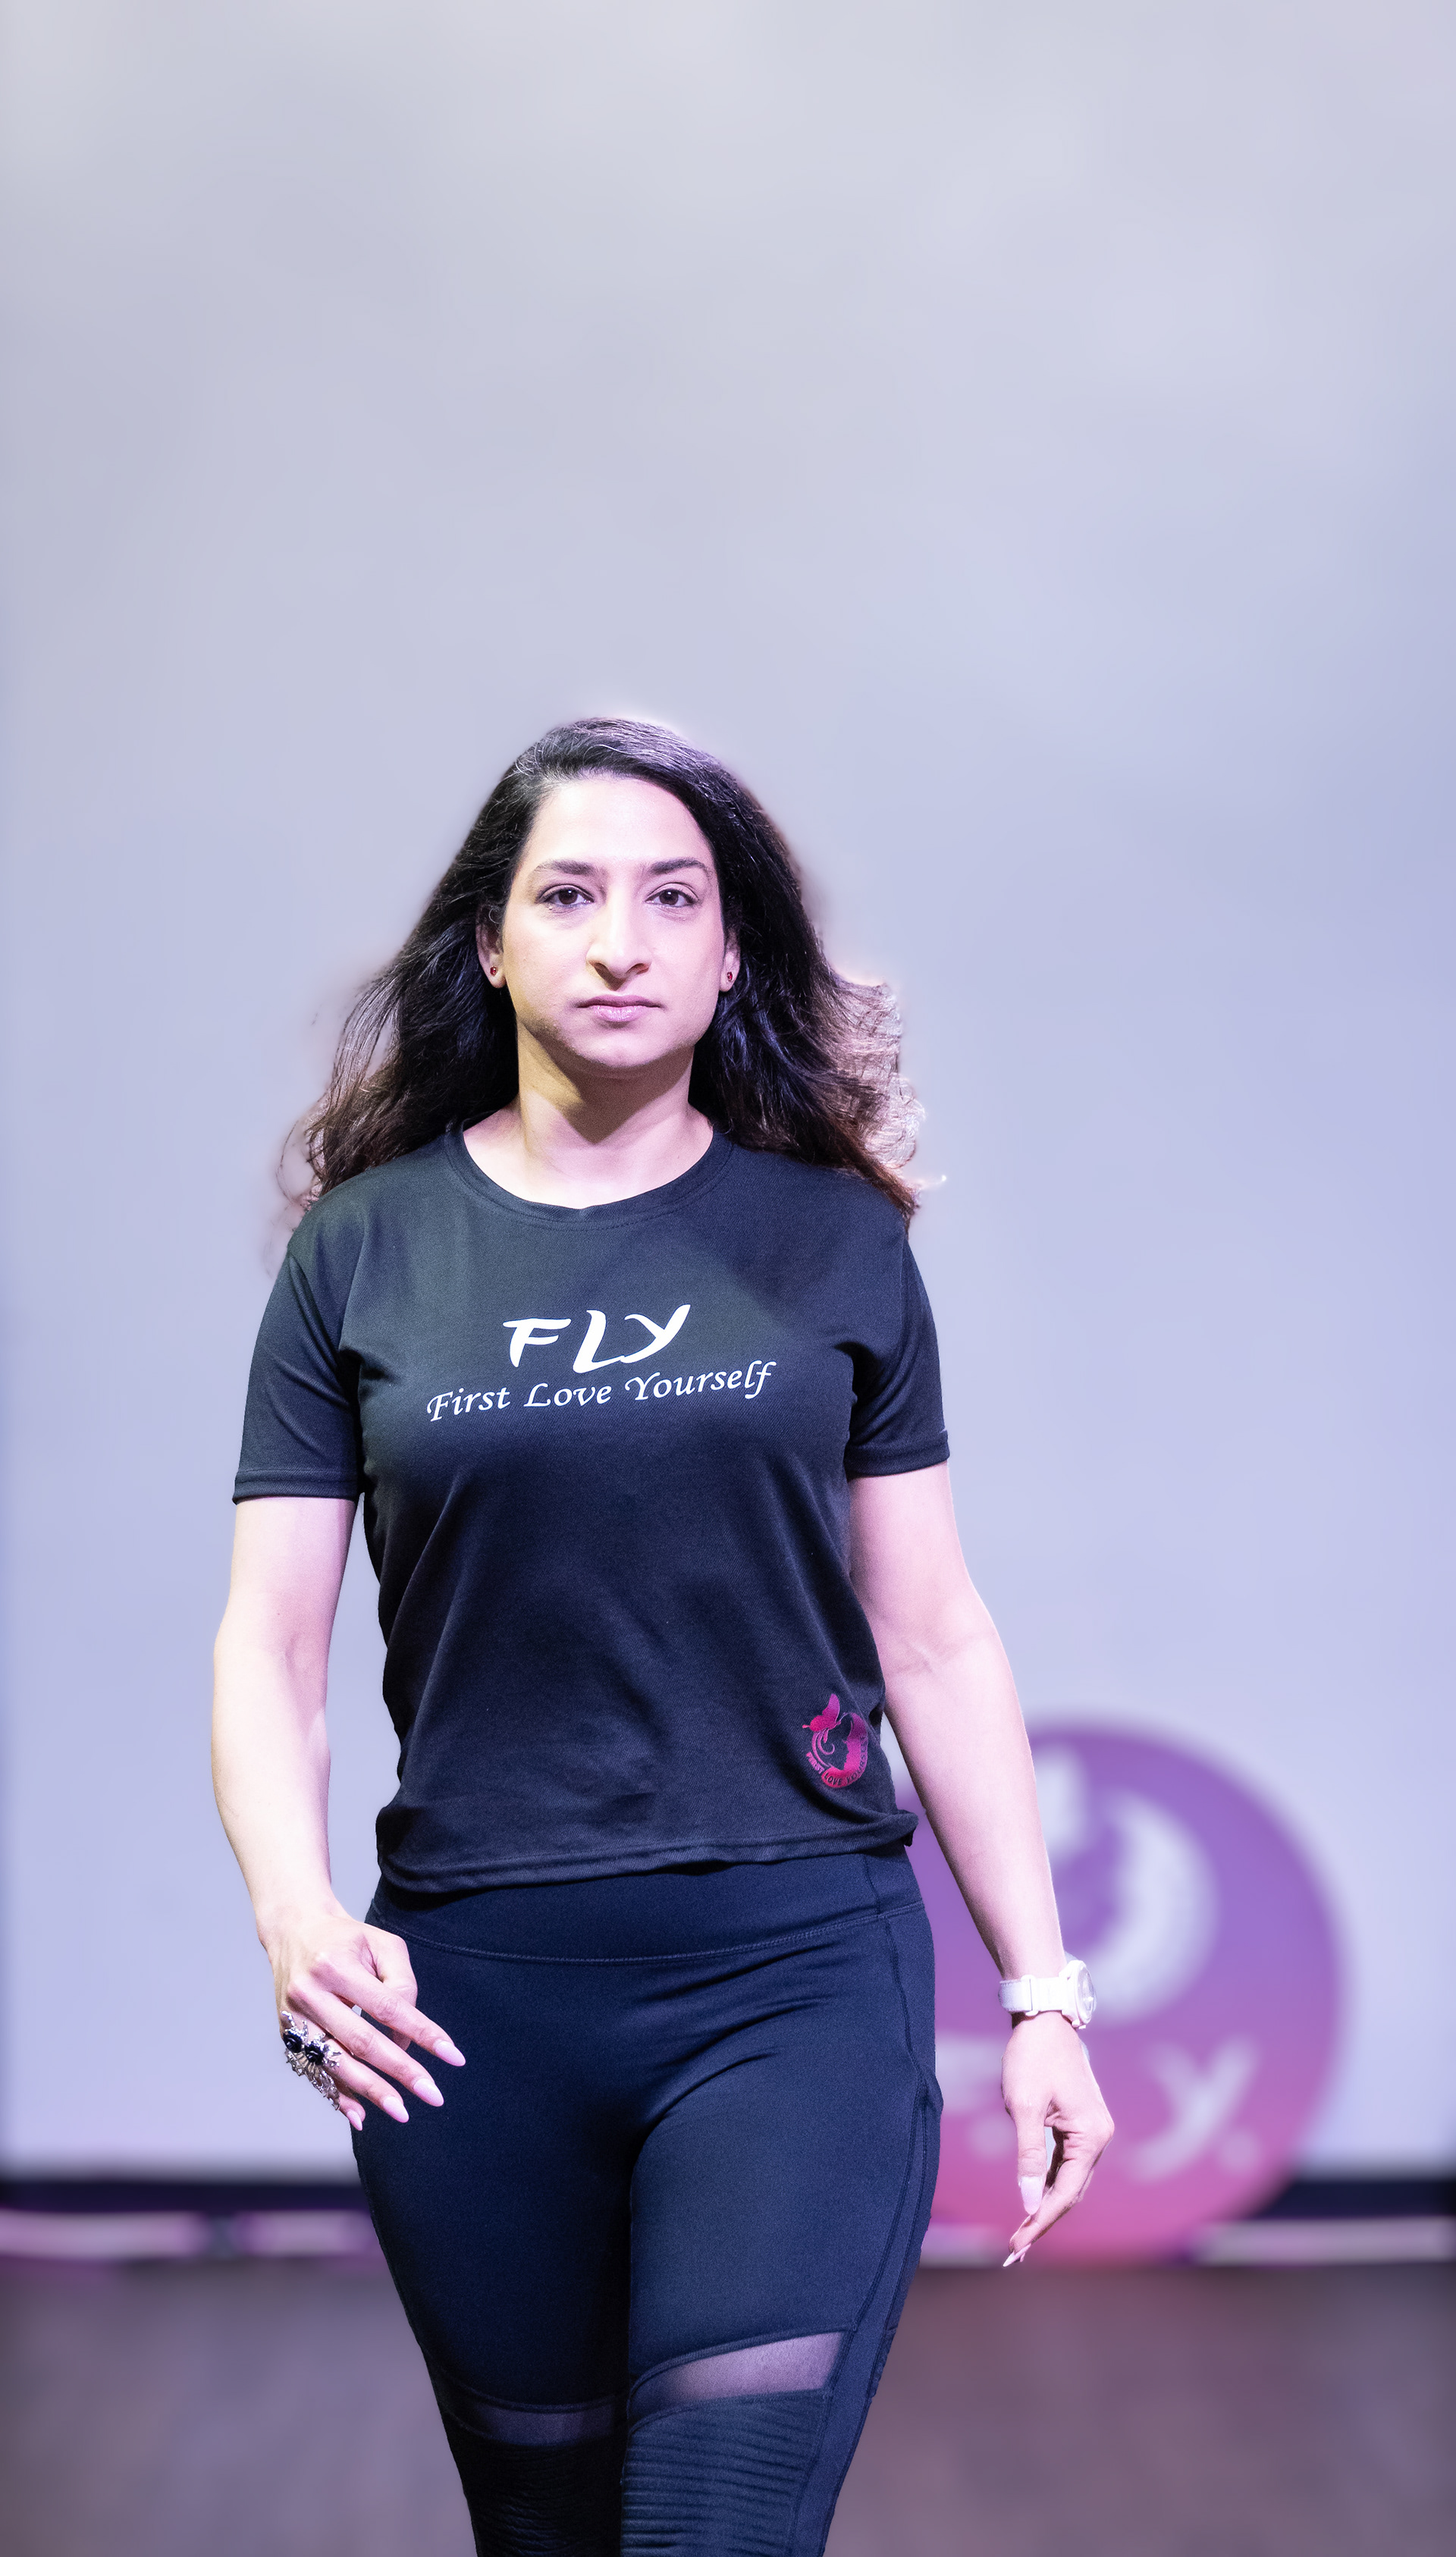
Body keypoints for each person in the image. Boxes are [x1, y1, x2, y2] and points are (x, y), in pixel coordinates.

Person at [212, 717, 1112, 2557]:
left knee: (715, 2531)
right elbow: (271, 1647)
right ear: (490, 945)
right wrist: (297, 1918)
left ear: (729, 953)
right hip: (470, 2006)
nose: (620, 942)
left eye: (672, 899)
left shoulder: (834, 1243)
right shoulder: (364, 1254)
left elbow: (933, 1636)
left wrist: (1042, 1994)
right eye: (568, 896)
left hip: (794, 1975)